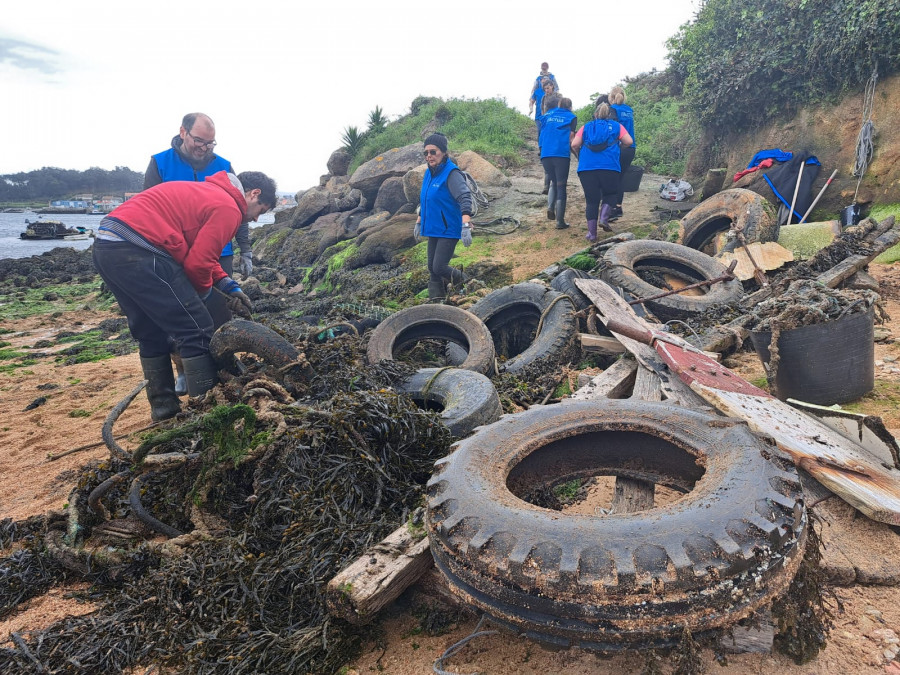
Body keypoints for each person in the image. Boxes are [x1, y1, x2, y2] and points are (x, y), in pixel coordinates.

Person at [93, 171, 276, 421]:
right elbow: (198, 265)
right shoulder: (229, 207)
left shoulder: (207, 193)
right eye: (260, 210)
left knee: (150, 332)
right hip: (140, 249)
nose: (255, 219)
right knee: (197, 329)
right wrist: (199, 301)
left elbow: (201, 255)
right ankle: (208, 417)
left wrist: (228, 285)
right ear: (253, 194)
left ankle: (164, 412)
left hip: (108, 246)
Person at [144, 112, 251, 392]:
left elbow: (236, 211)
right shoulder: (160, 162)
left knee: (219, 312)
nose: (204, 149)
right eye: (199, 141)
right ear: (183, 132)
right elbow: (149, 207)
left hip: (219, 251)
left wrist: (246, 250)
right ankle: (183, 370)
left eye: (210, 143)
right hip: (173, 250)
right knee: (181, 312)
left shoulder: (223, 166)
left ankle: (220, 366)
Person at [415, 133, 473, 301]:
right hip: (433, 227)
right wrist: (419, 221)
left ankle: (468, 282)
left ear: (444, 152)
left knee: (439, 266)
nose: (429, 156)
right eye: (426, 153)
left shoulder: (451, 173)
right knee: (432, 268)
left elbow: (464, 197)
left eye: (433, 152)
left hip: (448, 228)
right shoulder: (429, 173)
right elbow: (426, 199)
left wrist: (466, 225)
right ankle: (437, 302)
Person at [571, 102, 634, 242]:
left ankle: (592, 234)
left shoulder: (586, 127)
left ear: (595, 114)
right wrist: (619, 148)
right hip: (610, 167)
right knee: (611, 194)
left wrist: (581, 154)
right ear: (609, 115)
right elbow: (629, 141)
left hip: (587, 168)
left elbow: (574, 144)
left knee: (591, 201)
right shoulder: (617, 126)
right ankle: (604, 218)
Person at [539, 97, 577, 229]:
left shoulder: (547, 115)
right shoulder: (572, 117)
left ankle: (550, 206)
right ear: (570, 106)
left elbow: (541, 132)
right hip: (561, 154)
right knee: (561, 186)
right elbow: (572, 139)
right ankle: (560, 222)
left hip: (545, 154)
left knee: (553, 182)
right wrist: (578, 155)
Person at [609, 86, 636, 220]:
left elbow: (613, 130)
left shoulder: (613, 110)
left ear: (611, 96)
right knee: (620, 177)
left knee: (613, 178)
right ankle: (618, 207)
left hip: (619, 147)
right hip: (631, 148)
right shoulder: (629, 110)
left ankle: (613, 208)